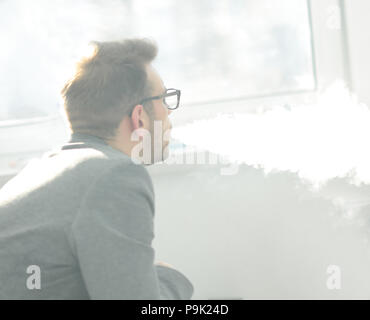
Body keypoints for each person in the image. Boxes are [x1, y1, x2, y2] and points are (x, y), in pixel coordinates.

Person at [0, 38, 194, 299]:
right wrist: (173, 281)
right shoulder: (114, 176)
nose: (169, 114)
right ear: (139, 117)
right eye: (164, 98)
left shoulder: (31, 177)